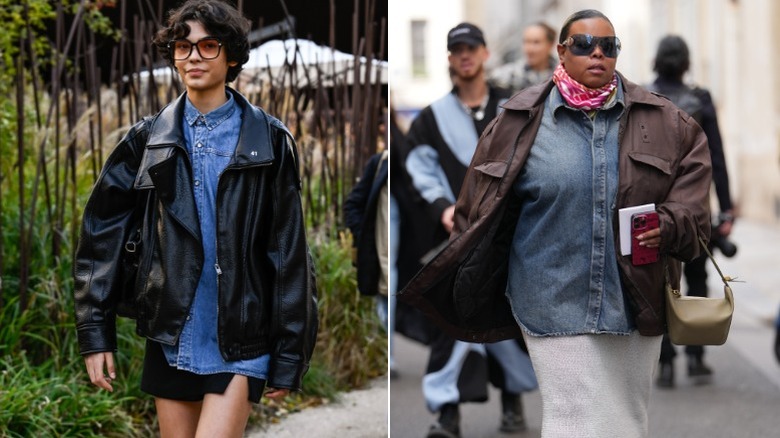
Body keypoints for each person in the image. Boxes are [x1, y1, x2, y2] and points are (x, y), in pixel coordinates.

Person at [400, 9, 712, 437]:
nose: (597, 53)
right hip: (548, 299)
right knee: (572, 419)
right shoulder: (516, 121)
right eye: (584, 45)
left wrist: (671, 223)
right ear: (562, 52)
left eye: (609, 46)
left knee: (626, 419)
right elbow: (475, 208)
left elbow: (696, 208)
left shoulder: (667, 123)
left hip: (635, 298)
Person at [73, 1, 318, 436]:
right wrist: (95, 334)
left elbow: (288, 250)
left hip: (241, 338)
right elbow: (100, 236)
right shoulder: (147, 139)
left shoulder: (268, 140)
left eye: (208, 45)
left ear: (232, 56)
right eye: (183, 47)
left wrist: (289, 352)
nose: (194, 57)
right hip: (172, 334)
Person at [404, 22, 537, 437]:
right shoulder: (431, 119)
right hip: (456, 239)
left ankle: (513, 400)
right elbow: (419, 169)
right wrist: (445, 209)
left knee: (508, 321)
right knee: (450, 323)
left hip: (508, 238)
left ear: (484, 54)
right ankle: (447, 413)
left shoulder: (513, 109)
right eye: (457, 49)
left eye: (471, 48)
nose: (465, 55)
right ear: (449, 57)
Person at [647, 35, 736, 388]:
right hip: (697, 206)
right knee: (697, 278)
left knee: (664, 283)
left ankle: (666, 361)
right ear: (686, 62)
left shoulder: (646, 97)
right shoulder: (699, 99)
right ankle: (697, 356)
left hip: (656, 206)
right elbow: (716, 157)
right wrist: (726, 208)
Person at [490, 21, 558, 92]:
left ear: (551, 44)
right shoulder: (513, 74)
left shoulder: (561, 75)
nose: (530, 49)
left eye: (536, 42)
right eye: (526, 42)